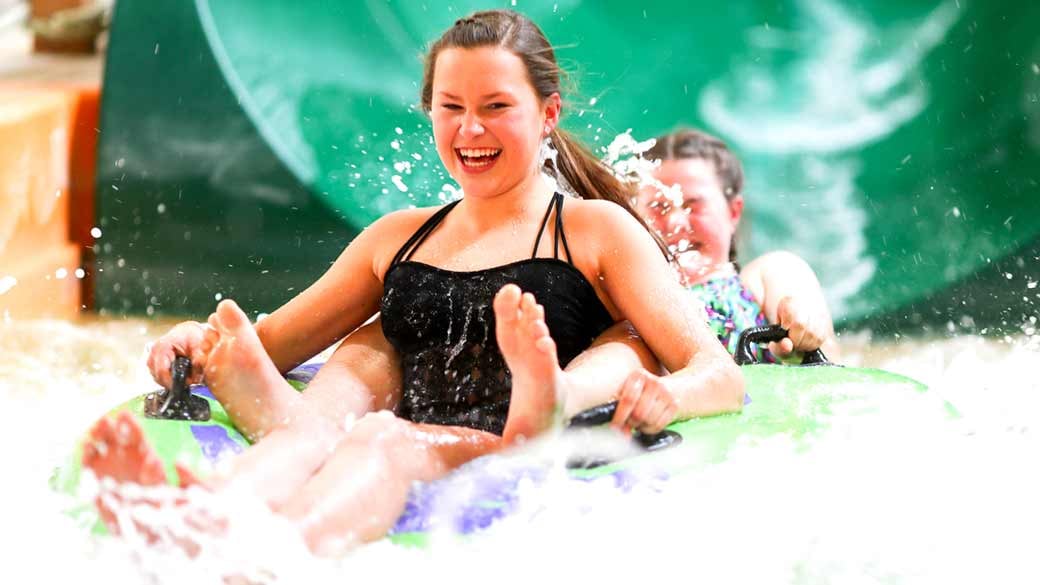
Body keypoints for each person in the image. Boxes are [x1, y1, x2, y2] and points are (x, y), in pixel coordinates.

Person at [84, 10, 743, 556]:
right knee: (312, 431)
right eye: (450, 106)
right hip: (402, 437)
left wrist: (667, 394)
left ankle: (273, 553)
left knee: (382, 438)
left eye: (496, 107)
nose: (470, 128)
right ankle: (197, 516)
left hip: (514, 449)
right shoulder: (398, 237)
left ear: (547, 113)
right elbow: (273, 343)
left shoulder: (594, 230)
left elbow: (717, 371)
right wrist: (193, 343)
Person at [637, 128, 841, 361]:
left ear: (733, 212)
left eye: (694, 205)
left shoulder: (767, 276)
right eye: (658, 207)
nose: (675, 222)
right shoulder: (630, 300)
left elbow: (820, 340)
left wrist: (801, 327)